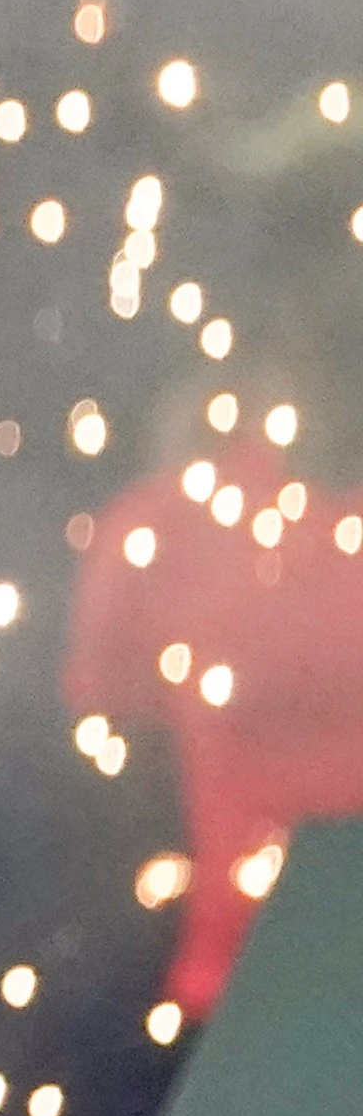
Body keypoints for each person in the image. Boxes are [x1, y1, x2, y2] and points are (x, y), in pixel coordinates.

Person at [63, 128, 363, 1020]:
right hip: (246, 1025)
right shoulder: (161, 534)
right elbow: (116, 782)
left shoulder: (161, 529)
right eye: (316, 266)